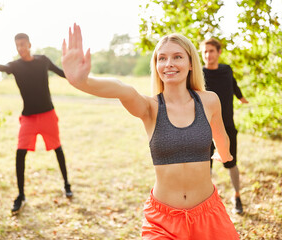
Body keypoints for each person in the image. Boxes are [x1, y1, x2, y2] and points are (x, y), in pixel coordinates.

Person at [61, 24, 239, 239]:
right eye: (161, 58)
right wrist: (82, 82)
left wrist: (225, 154)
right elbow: (121, 89)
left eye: (177, 57)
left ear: (191, 63)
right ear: (155, 65)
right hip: (163, 222)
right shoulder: (150, 107)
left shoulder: (209, 101)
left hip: (208, 214)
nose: (169, 64)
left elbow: (220, 134)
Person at [0, 33, 73, 214]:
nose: (20, 48)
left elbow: (63, 74)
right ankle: (21, 195)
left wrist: (78, 73)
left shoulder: (43, 61)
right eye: (17, 45)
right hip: (28, 118)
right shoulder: (16, 66)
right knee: (20, 153)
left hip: (48, 114)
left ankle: (67, 185)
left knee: (58, 149)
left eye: (23, 44)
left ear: (30, 44)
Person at [200, 38, 248, 215]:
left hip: (227, 127)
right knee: (206, 167)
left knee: (231, 162)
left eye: (211, 51)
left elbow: (234, 85)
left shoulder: (226, 70)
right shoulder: (199, 73)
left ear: (219, 52)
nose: (208, 55)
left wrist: (241, 98)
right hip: (204, 128)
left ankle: (237, 196)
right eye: (205, 51)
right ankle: (205, 202)